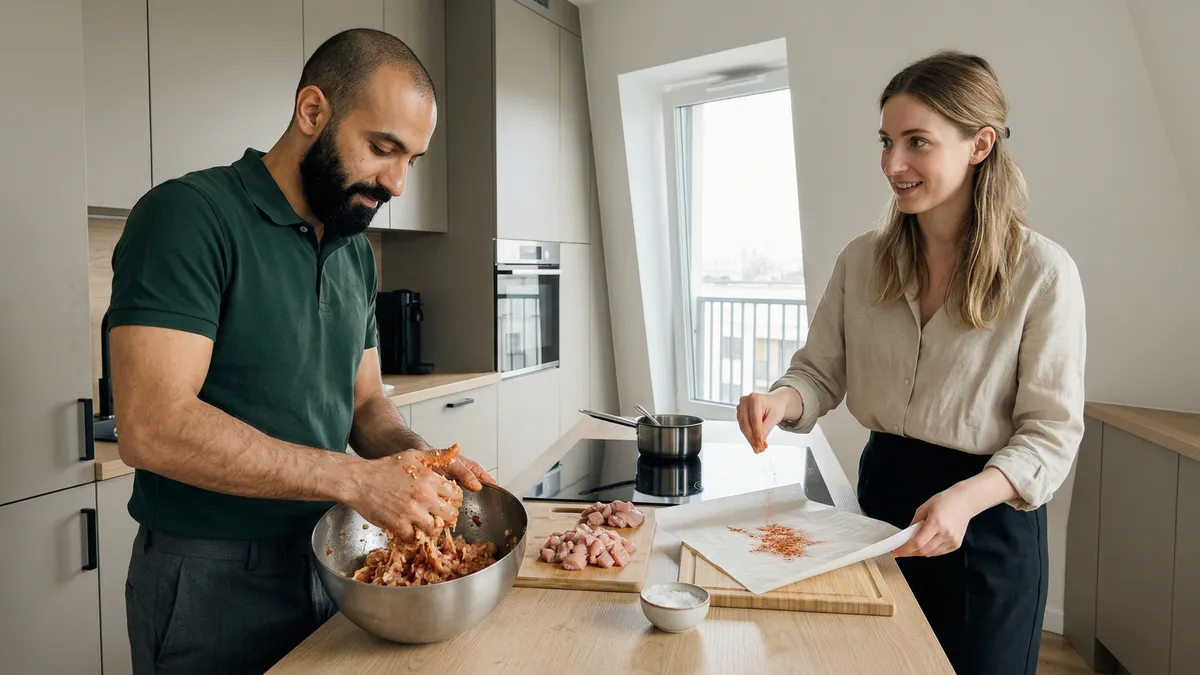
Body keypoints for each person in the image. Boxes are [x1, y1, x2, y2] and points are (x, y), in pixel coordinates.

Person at [108, 29, 494, 675]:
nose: (397, 182)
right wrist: (355, 479)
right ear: (312, 111)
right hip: (209, 571)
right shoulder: (189, 214)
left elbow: (365, 402)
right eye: (382, 148)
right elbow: (152, 426)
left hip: (332, 557)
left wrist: (414, 462)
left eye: (413, 160)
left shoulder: (352, 249)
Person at [736, 50, 1086, 675]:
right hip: (883, 503)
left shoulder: (1043, 273)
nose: (892, 164)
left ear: (979, 145)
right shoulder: (860, 261)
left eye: (917, 142)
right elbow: (817, 373)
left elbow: (1051, 434)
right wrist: (779, 401)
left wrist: (965, 500)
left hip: (986, 520)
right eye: (887, 141)